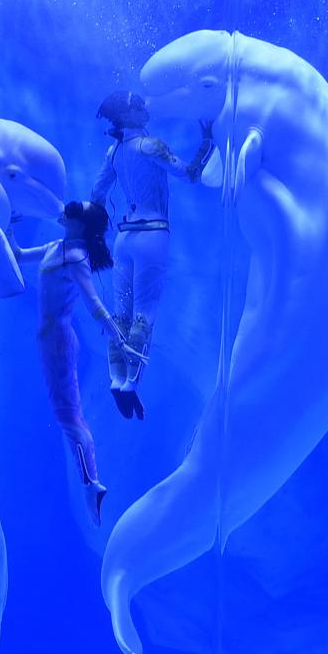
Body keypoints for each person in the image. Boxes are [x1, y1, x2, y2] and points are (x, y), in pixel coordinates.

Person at [10, 201, 147, 525]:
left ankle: (91, 483)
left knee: (68, 416)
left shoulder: (75, 258)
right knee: (65, 415)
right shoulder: (55, 247)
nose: (65, 209)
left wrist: (118, 338)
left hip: (58, 340)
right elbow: (17, 255)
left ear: (80, 225)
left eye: (73, 209)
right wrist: (8, 224)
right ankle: (90, 482)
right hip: (47, 340)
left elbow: (94, 303)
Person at [92, 90, 213, 419]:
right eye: (136, 104)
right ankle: (131, 382)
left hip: (124, 237)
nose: (144, 106)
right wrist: (208, 140)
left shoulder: (114, 152)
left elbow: (97, 194)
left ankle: (116, 379)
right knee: (145, 313)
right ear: (127, 114)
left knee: (120, 314)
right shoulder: (151, 146)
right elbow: (191, 174)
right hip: (153, 235)